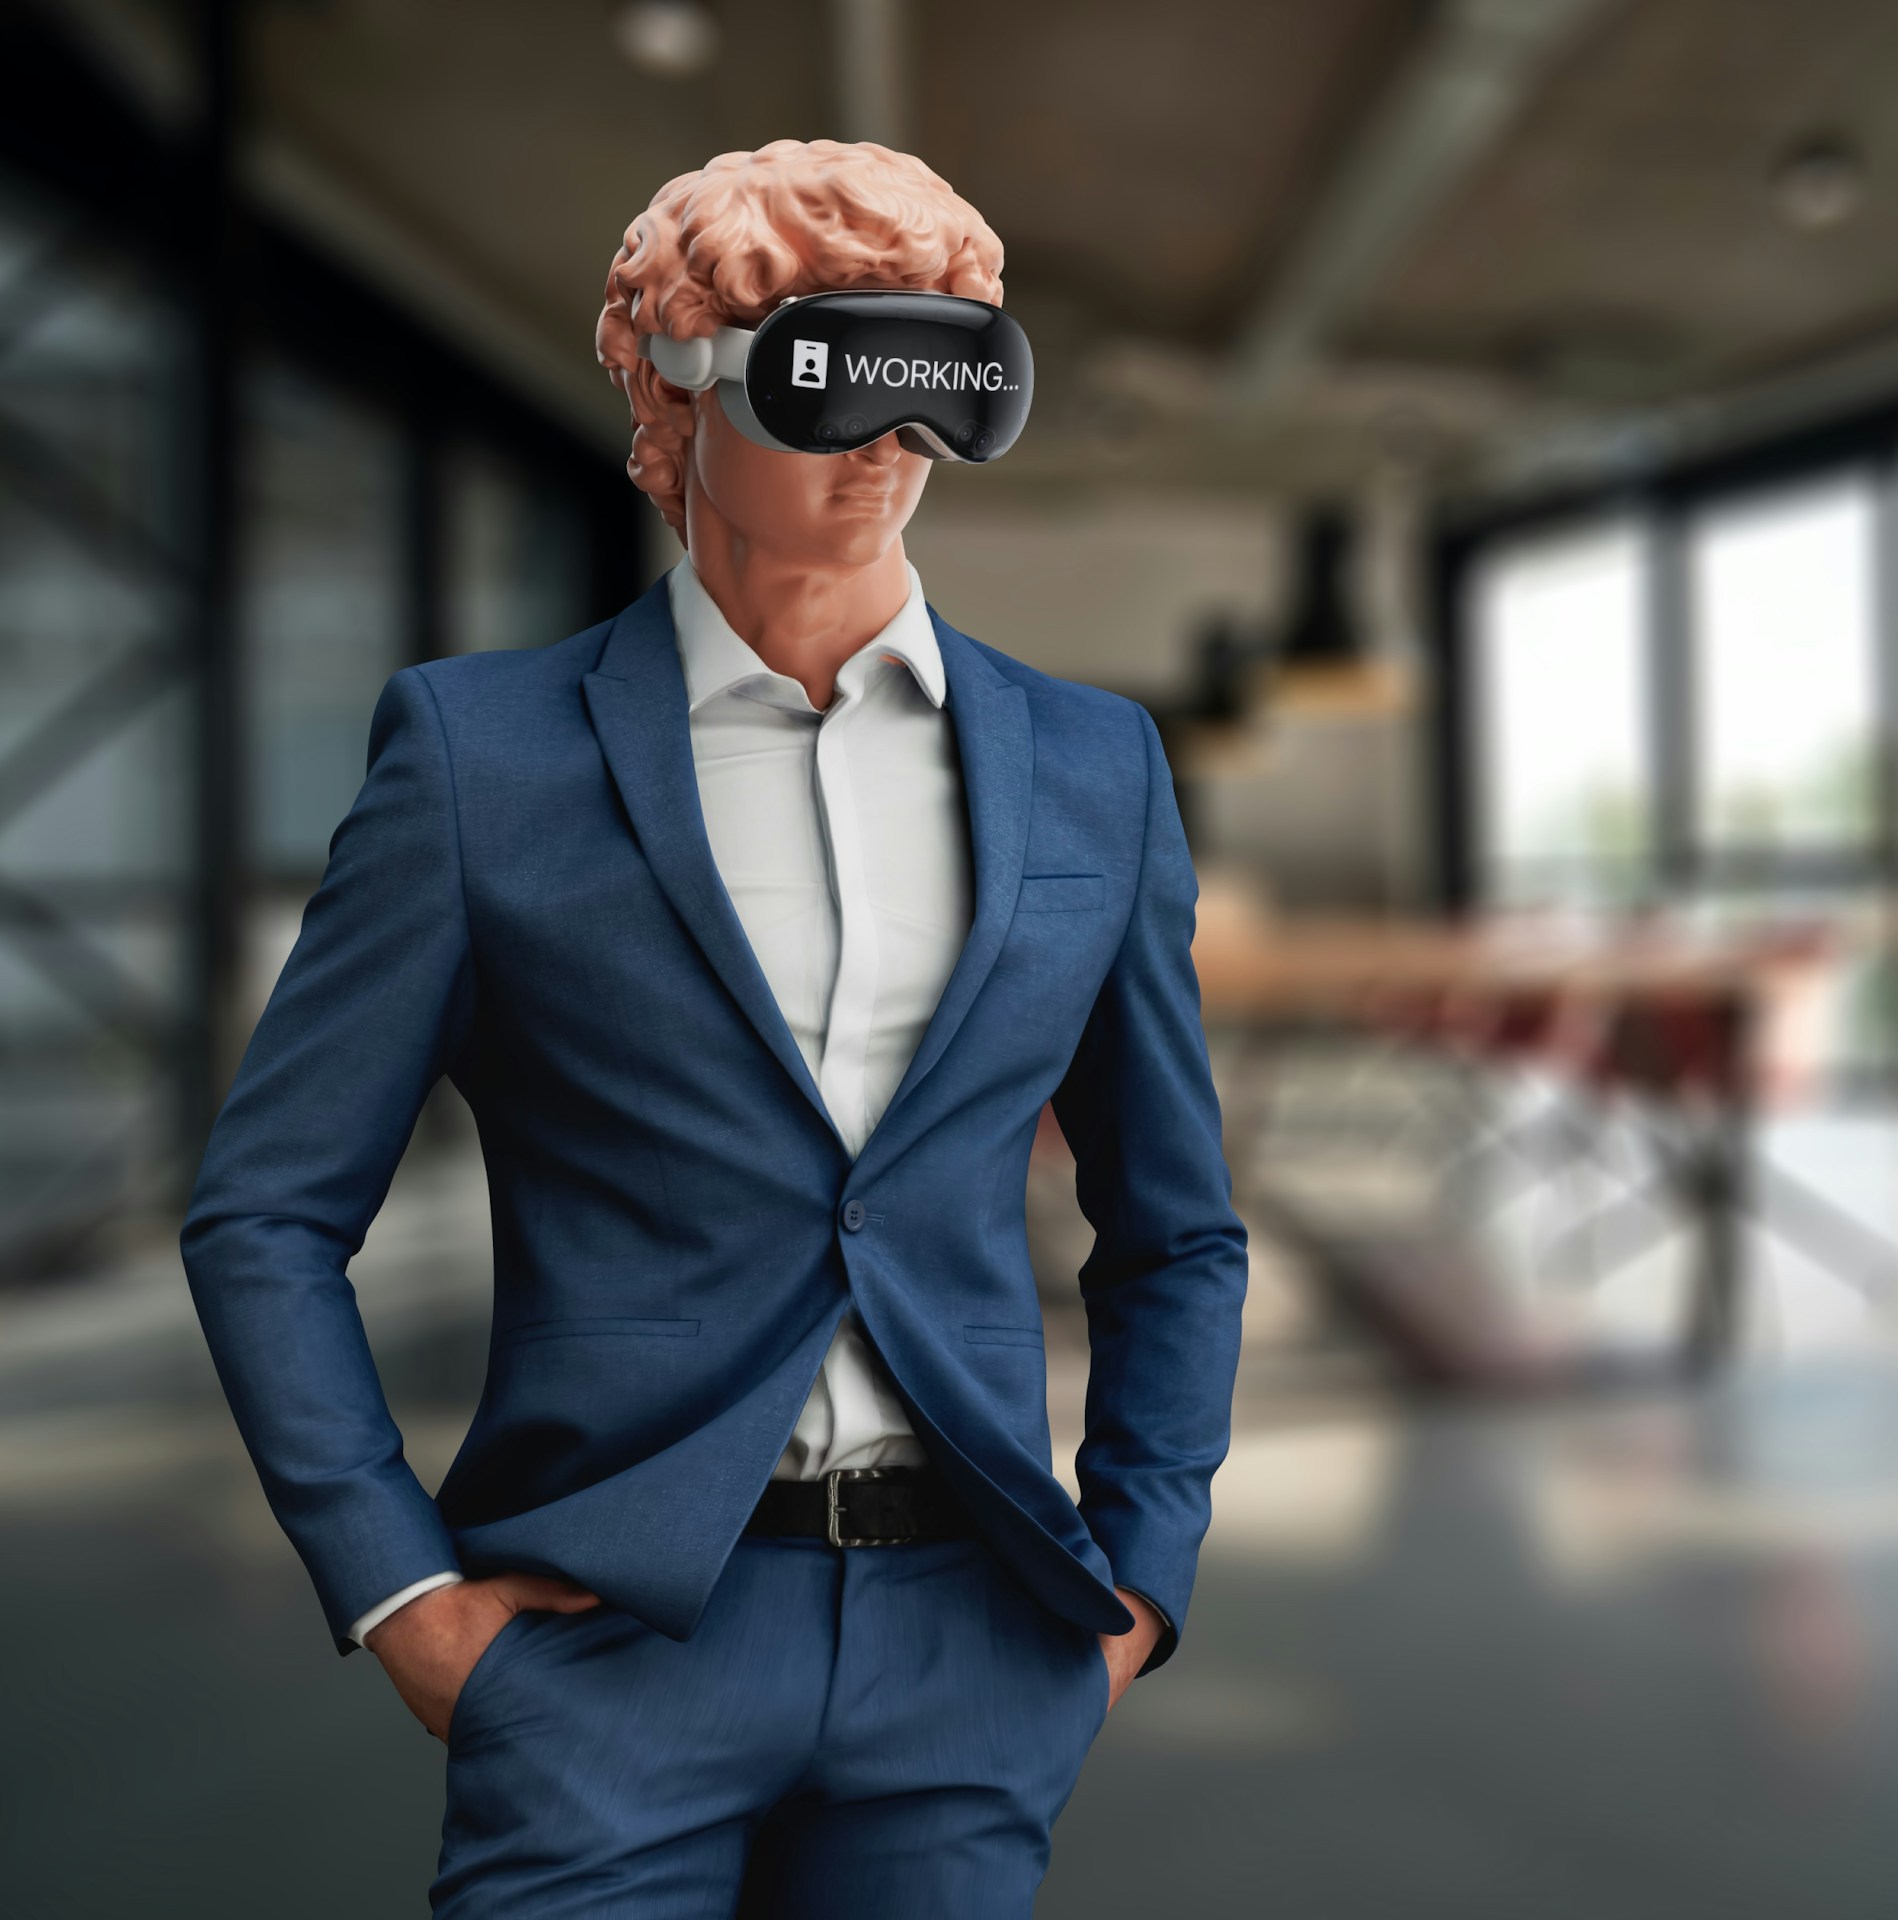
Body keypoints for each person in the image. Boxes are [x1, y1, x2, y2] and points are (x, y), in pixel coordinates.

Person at [180, 136, 1247, 1917]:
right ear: (677, 386)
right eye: (839, 377)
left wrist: (1140, 1572)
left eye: (943, 378)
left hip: (975, 1645)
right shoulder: (478, 760)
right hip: (605, 1652)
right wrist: (404, 1597)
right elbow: (265, 1212)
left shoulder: (1096, 766)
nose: (893, 441)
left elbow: (1175, 1222)